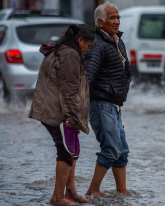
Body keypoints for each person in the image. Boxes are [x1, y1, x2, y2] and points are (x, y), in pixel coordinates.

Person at [28, 24, 95, 205]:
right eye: (88, 45)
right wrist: (72, 118)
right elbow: (69, 91)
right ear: (80, 40)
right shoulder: (70, 55)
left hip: (58, 110)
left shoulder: (63, 50)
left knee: (72, 152)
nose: (88, 49)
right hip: (60, 112)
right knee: (66, 153)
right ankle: (57, 198)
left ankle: (70, 192)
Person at [84, 2, 132, 196]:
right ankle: (93, 190)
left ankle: (122, 191)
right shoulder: (97, 44)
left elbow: (127, 70)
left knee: (122, 152)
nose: (117, 21)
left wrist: (123, 89)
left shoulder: (117, 41)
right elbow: (88, 75)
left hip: (114, 105)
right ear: (100, 22)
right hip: (101, 104)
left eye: (118, 17)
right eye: (112, 18)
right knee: (111, 149)